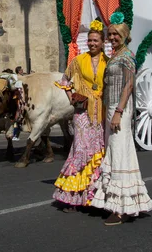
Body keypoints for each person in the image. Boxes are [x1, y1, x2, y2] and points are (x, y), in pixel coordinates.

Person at [91, 12, 152, 225]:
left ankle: (120, 210)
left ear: (125, 35)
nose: (112, 38)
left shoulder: (127, 56)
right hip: (111, 110)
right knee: (116, 152)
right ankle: (120, 203)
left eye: (116, 34)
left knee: (119, 152)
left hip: (121, 110)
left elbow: (128, 85)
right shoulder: (115, 56)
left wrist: (118, 112)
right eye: (110, 34)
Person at [53, 20, 108, 211]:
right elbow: (65, 80)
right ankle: (72, 196)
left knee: (97, 150)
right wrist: (71, 97)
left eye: (96, 41)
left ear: (102, 42)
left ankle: (92, 195)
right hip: (82, 112)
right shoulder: (78, 61)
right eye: (90, 40)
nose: (92, 43)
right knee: (80, 149)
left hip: (100, 112)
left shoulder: (107, 62)